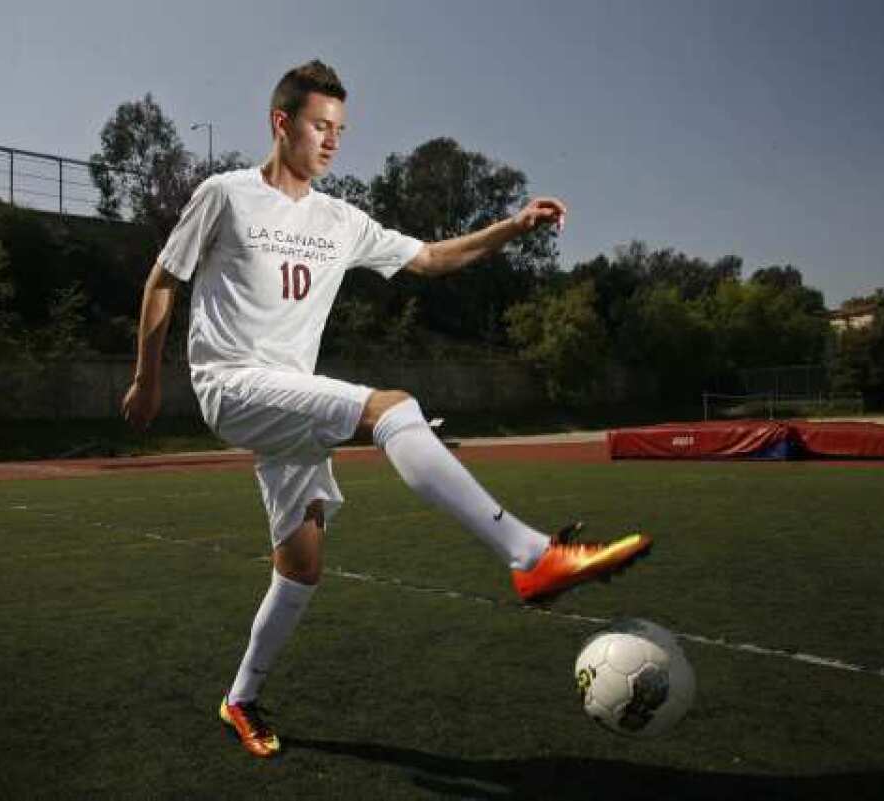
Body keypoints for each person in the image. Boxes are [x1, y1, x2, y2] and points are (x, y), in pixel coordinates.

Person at [121, 60, 652, 759]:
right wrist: (148, 378)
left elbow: (430, 259)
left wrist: (512, 226)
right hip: (231, 383)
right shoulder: (224, 195)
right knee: (392, 407)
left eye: (340, 129)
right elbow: (163, 279)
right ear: (281, 124)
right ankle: (531, 556)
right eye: (320, 125)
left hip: (292, 400)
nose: (332, 140)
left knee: (301, 565)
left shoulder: (340, 219)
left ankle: (239, 698)